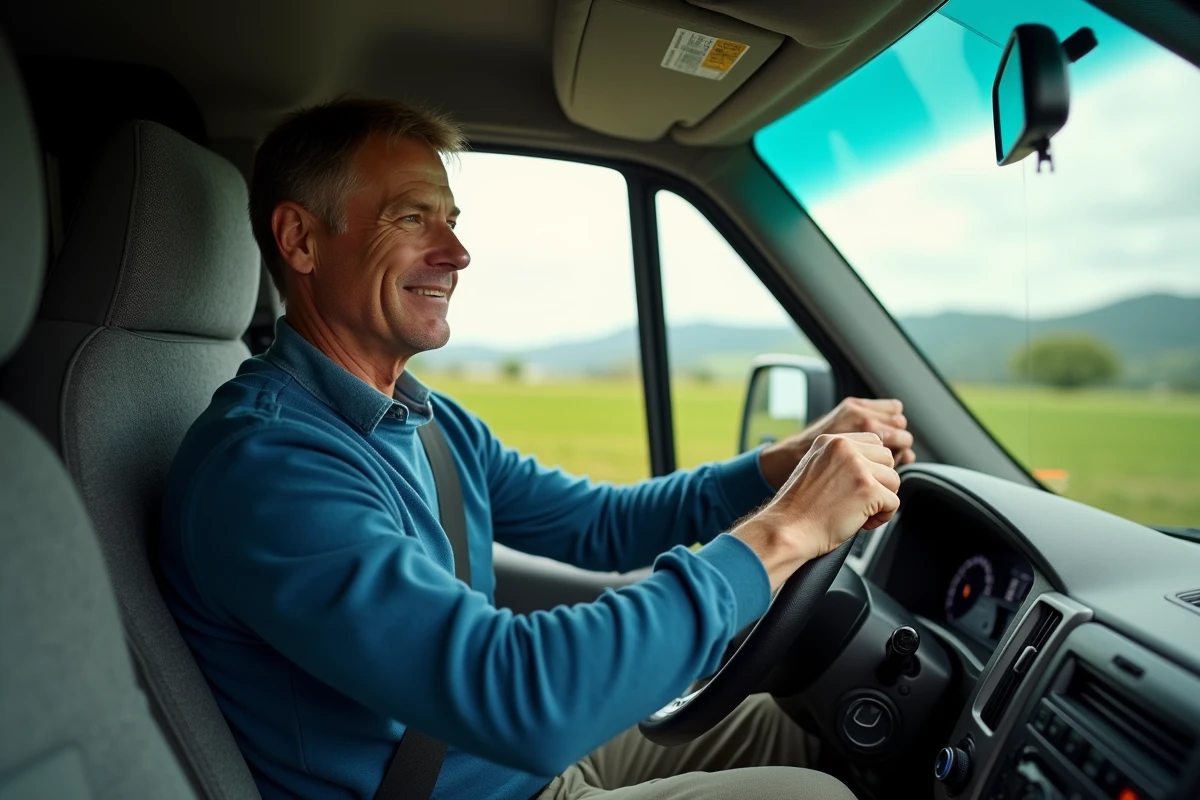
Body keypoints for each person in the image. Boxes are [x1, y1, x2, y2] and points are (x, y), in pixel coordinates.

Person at [159, 97, 914, 800]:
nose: (456, 253)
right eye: (412, 218)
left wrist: (782, 465)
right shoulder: (268, 469)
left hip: (507, 761)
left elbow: (603, 524)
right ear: (301, 239)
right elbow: (516, 695)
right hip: (467, 781)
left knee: (800, 724)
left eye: (451, 220)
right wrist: (786, 532)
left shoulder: (423, 422)